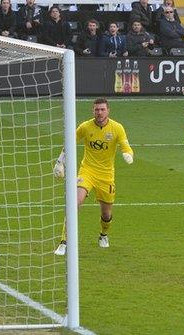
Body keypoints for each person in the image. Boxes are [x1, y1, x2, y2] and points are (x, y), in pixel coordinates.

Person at [52, 98, 134, 255]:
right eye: (97, 109)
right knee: (74, 202)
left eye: (102, 109)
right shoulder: (85, 127)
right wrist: (59, 162)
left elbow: (126, 146)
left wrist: (128, 154)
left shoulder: (117, 128)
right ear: (93, 111)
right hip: (87, 171)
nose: (99, 112)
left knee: (106, 214)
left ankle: (103, 235)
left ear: (108, 110)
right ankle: (64, 242)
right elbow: (69, 142)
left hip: (106, 176)